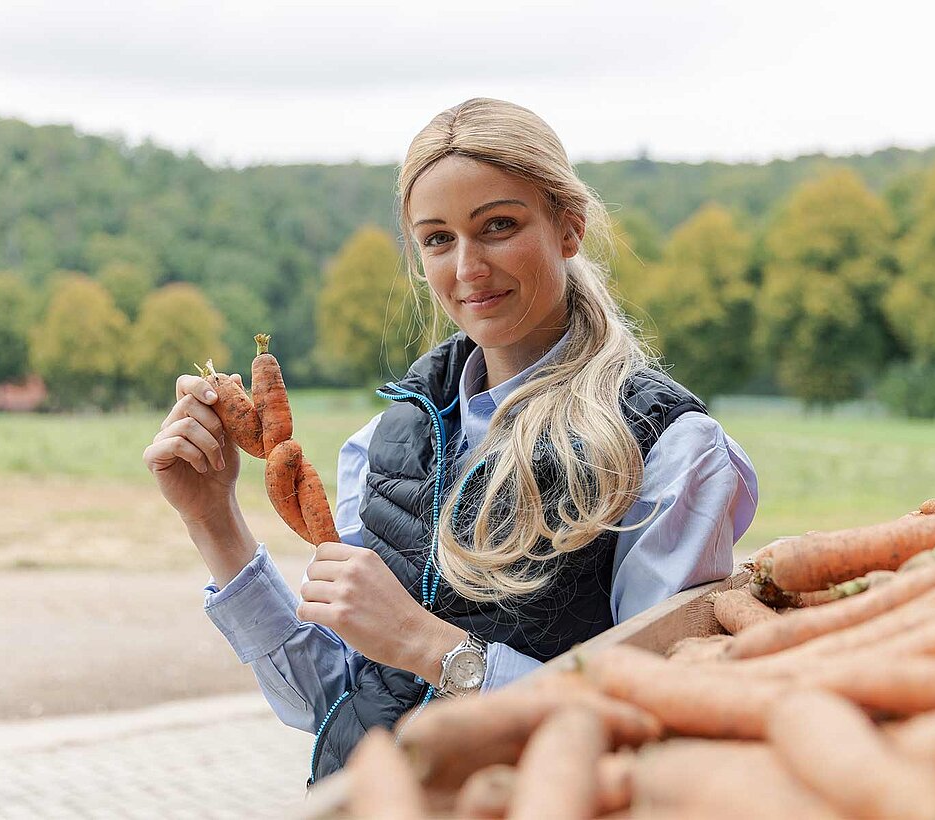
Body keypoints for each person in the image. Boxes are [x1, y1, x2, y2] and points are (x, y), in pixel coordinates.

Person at [143, 97, 758, 784]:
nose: (467, 267)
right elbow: (330, 706)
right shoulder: (377, 446)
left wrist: (429, 645)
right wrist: (214, 521)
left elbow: (649, 727)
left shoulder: (669, 450)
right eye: (438, 238)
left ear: (569, 228)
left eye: (498, 225)